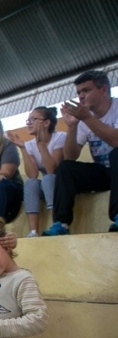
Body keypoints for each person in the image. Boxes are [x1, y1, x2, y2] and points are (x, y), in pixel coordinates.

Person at [42, 70, 118, 235]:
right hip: (106, 174)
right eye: (79, 92)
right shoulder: (84, 118)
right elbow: (71, 156)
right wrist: (72, 126)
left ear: (104, 89)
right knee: (66, 167)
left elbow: (116, 141)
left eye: (86, 90)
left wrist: (87, 119)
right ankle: (61, 223)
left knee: (116, 154)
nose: (81, 96)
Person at [7, 107, 66, 237]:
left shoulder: (60, 137)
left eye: (33, 119)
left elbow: (52, 170)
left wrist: (41, 144)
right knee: (30, 183)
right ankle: (34, 231)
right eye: (28, 120)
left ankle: (57, 224)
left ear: (46, 123)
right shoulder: (29, 144)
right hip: (46, 184)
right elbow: (32, 174)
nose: (28, 123)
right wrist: (23, 148)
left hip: (61, 183)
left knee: (48, 178)